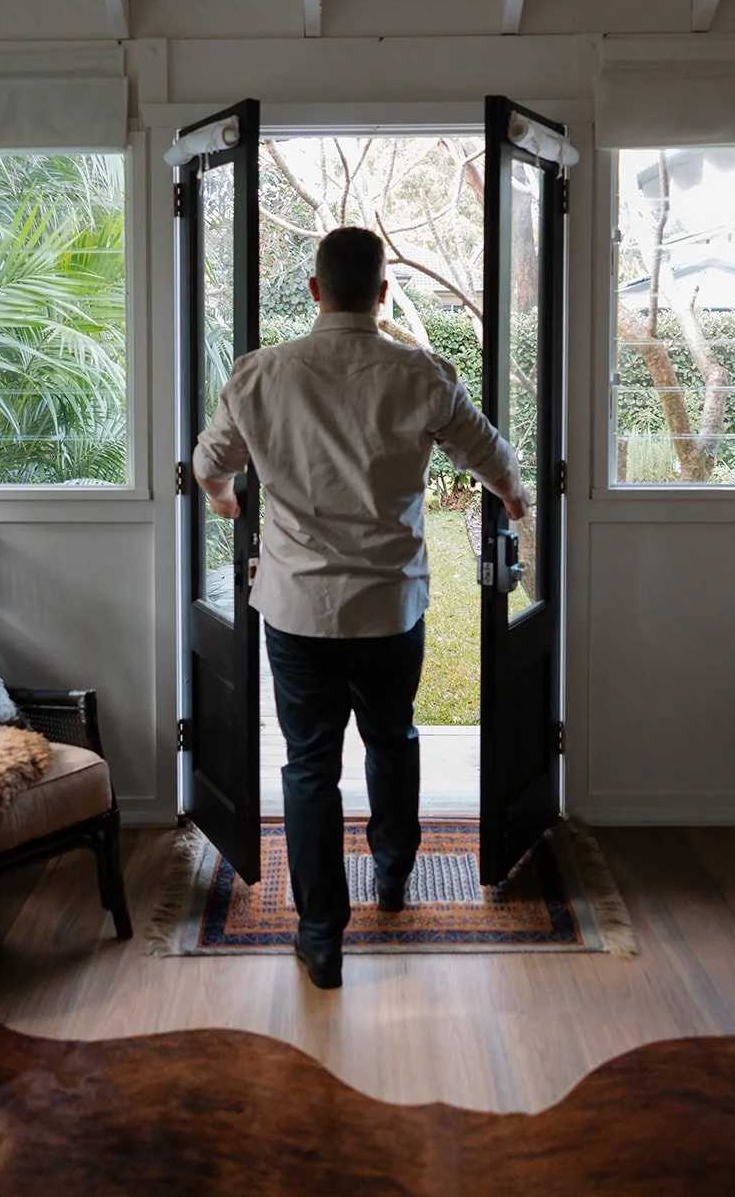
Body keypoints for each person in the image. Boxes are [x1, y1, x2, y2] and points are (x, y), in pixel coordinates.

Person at [193, 226, 529, 989]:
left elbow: (209, 464)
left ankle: (320, 938)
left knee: (309, 764)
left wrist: (224, 500)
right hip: (387, 606)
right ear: (381, 295)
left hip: (297, 609)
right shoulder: (421, 374)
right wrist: (513, 500)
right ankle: (393, 872)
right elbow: (491, 457)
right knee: (391, 737)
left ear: (315, 290)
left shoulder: (260, 374)